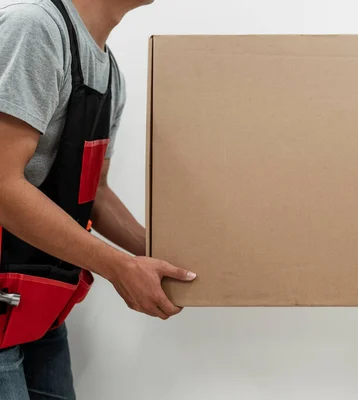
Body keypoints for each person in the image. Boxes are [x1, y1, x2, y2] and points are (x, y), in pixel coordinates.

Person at [0, 0, 197, 398]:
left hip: (36, 300)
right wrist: (121, 267)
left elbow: (97, 193)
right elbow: (3, 187)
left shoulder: (110, 74)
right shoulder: (35, 28)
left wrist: (166, 257)